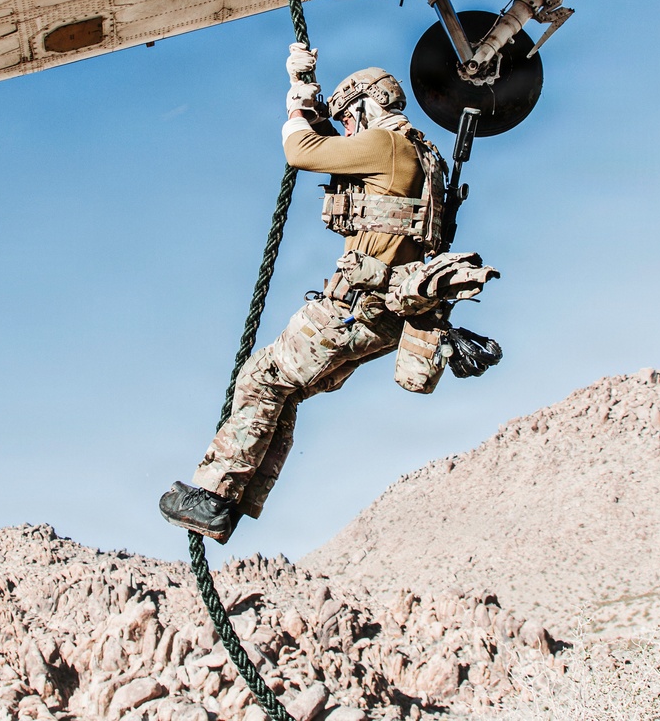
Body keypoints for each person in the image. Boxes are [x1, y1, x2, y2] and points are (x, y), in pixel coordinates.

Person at [158, 47, 499, 543]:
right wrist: (310, 92)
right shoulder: (424, 154)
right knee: (288, 392)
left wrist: (298, 102)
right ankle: (234, 502)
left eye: (347, 120)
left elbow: (300, 150)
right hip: (387, 315)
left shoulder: (384, 143)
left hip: (354, 306)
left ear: (364, 106)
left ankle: (212, 496)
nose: (346, 131)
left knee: (265, 377)